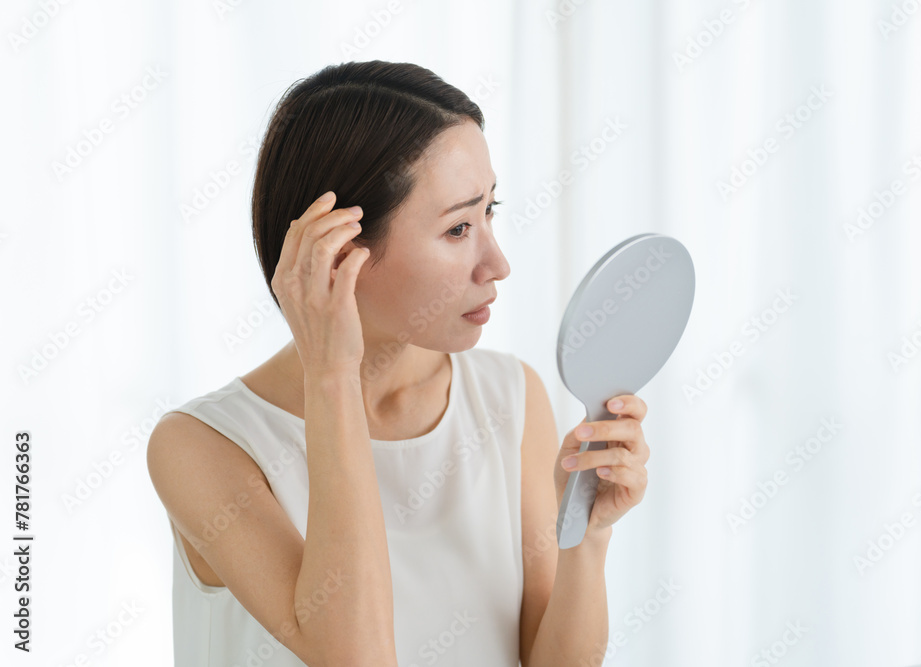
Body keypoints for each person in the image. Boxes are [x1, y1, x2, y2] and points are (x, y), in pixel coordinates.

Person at [146, 60, 651, 666]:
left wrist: (588, 539)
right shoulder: (202, 448)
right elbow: (354, 656)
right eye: (458, 228)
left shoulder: (510, 397)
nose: (497, 263)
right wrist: (332, 376)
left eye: (490, 210)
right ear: (340, 252)